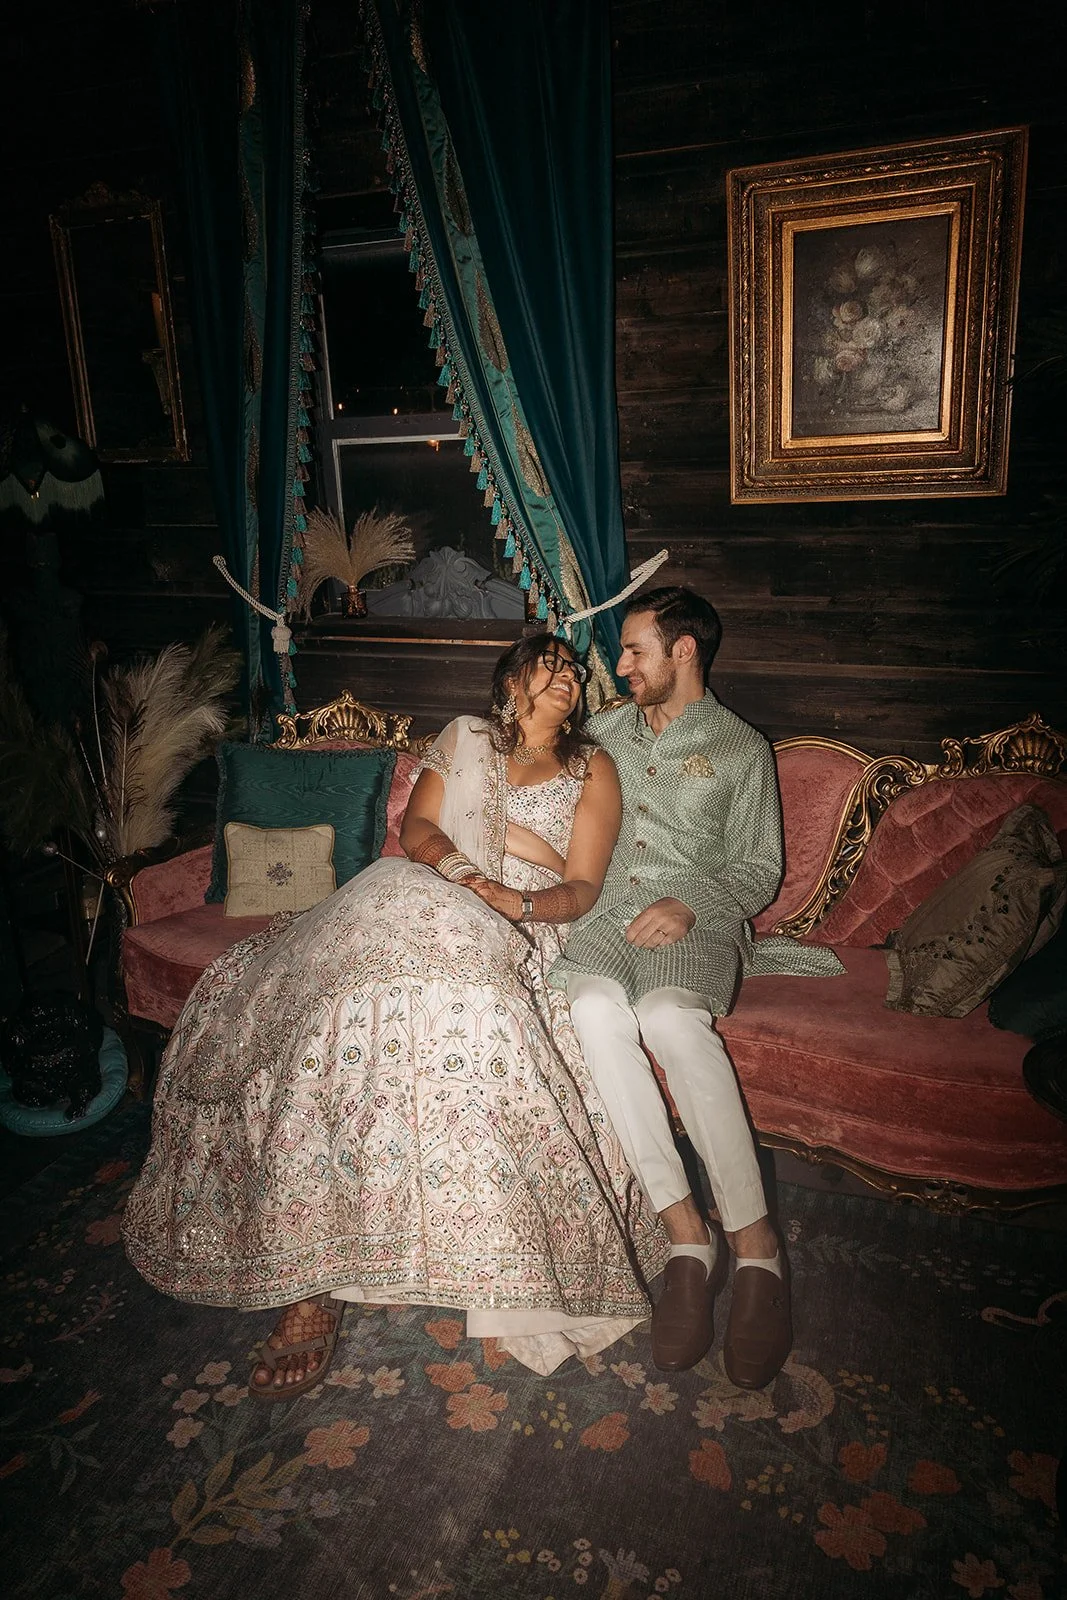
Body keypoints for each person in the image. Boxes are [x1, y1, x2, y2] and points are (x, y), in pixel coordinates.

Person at [123, 634, 668, 1393]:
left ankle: (479, 1247)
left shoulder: (590, 766)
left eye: (577, 670)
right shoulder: (465, 739)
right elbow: (418, 833)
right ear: (509, 680)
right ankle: (314, 1262)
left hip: (524, 916)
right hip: (431, 888)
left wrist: (512, 897)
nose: (570, 678)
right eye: (552, 665)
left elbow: (583, 887)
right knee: (349, 999)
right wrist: (464, 873)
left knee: (464, 1009)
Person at [553, 588, 842, 1388]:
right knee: (590, 1010)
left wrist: (690, 904)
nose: (619, 666)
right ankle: (686, 1235)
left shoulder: (741, 747)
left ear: (683, 651)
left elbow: (759, 869)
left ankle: (756, 1248)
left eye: (634, 650)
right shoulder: (602, 734)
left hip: (695, 921)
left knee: (671, 1024)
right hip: (606, 917)